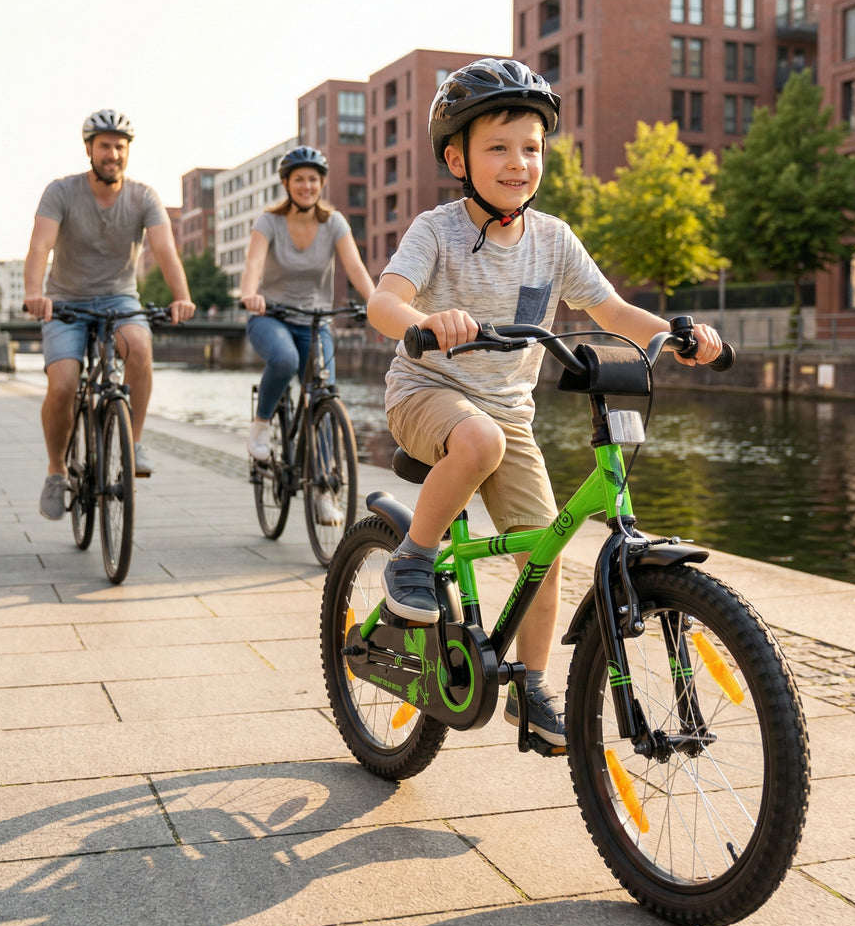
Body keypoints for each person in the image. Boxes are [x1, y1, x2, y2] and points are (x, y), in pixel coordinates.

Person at [366, 59, 723, 746]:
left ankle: (529, 689)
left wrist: (675, 333)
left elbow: (608, 307)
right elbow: (384, 299)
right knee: (479, 443)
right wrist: (424, 321)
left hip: (508, 413)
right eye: (498, 147)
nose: (518, 162)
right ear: (456, 157)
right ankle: (411, 556)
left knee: (549, 544)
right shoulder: (435, 231)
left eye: (531, 148)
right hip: (427, 392)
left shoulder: (553, 239)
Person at [24, 109, 196, 521]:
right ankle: (56, 471)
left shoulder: (143, 196)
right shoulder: (61, 192)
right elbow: (39, 247)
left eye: (120, 146)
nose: (113, 154)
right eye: (105, 145)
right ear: (89, 149)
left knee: (139, 346)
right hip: (64, 300)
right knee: (63, 385)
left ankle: (132, 443)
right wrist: (34, 292)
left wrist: (182, 296)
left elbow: (166, 251)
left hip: (120, 299)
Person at [238, 147, 376, 503]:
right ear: (286, 183)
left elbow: (356, 268)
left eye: (313, 179)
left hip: (314, 322)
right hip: (270, 316)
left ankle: (325, 489)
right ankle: (262, 425)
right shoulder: (268, 221)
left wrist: (378, 302)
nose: (307, 185)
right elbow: (253, 264)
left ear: (322, 183)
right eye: (299, 178)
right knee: (284, 360)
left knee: (324, 392)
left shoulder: (334, 223)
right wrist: (250, 293)